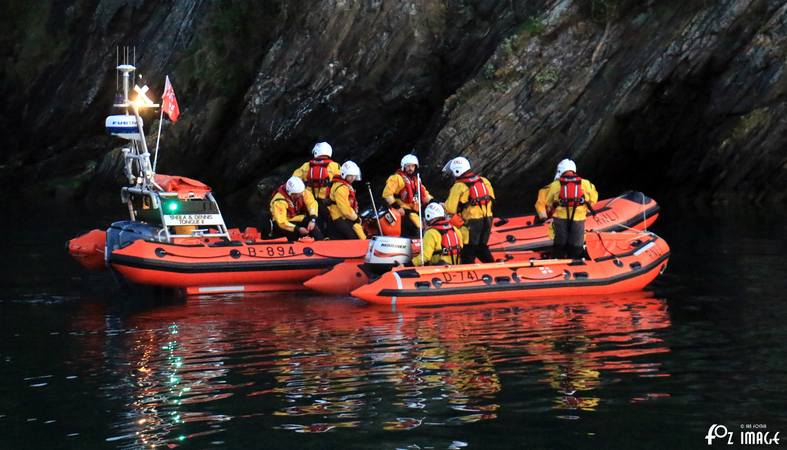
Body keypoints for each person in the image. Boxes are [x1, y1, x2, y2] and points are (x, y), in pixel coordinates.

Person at [443, 156, 495, 264]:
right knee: (481, 247)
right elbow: (490, 199)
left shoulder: (458, 186)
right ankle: (493, 266)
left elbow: (450, 209)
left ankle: (468, 273)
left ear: (457, 171)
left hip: (472, 223)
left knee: (468, 250)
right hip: (488, 220)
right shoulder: (484, 181)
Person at [545, 158, 598, 259]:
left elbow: (548, 202)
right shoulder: (586, 183)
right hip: (578, 219)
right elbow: (594, 197)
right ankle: (575, 260)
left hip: (560, 219)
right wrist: (585, 209)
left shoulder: (555, 185)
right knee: (577, 244)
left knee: (560, 242)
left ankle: (558, 259)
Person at [382, 154, 433, 237]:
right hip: (402, 211)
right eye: (408, 166)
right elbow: (387, 194)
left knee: (420, 225)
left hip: (414, 210)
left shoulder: (416, 180)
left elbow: (424, 194)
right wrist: (397, 207)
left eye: (413, 166)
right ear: (403, 166)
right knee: (411, 226)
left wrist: (433, 201)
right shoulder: (397, 178)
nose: (410, 168)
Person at [292, 142, 340, 228]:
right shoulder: (335, 166)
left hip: (309, 203)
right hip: (327, 204)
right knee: (331, 224)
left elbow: (294, 180)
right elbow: (341, 185)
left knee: (315, 223)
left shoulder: (306, 166)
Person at [269, 176, 324, 241]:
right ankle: (297, 243)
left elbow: (312, 204)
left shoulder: (302, 192)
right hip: (282, 223)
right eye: (296, 194)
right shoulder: (279, 201)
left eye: (300, 193)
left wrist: (312, 220)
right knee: (293, 232)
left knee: (310, 222)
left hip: (294, 217)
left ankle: (320, 241)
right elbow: (281, 222)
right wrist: (298, 229)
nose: (299, 195)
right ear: (290, 193)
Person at [327, 161, 366, 240]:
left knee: (357, 232)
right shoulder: (341, 188)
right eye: (350, 176)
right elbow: (345, 210)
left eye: (354, 176)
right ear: (344, 174)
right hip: (338, 217)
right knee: (354, 237)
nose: (353, 178)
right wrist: (356, 218)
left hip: (342, 216)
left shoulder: (342, 184)